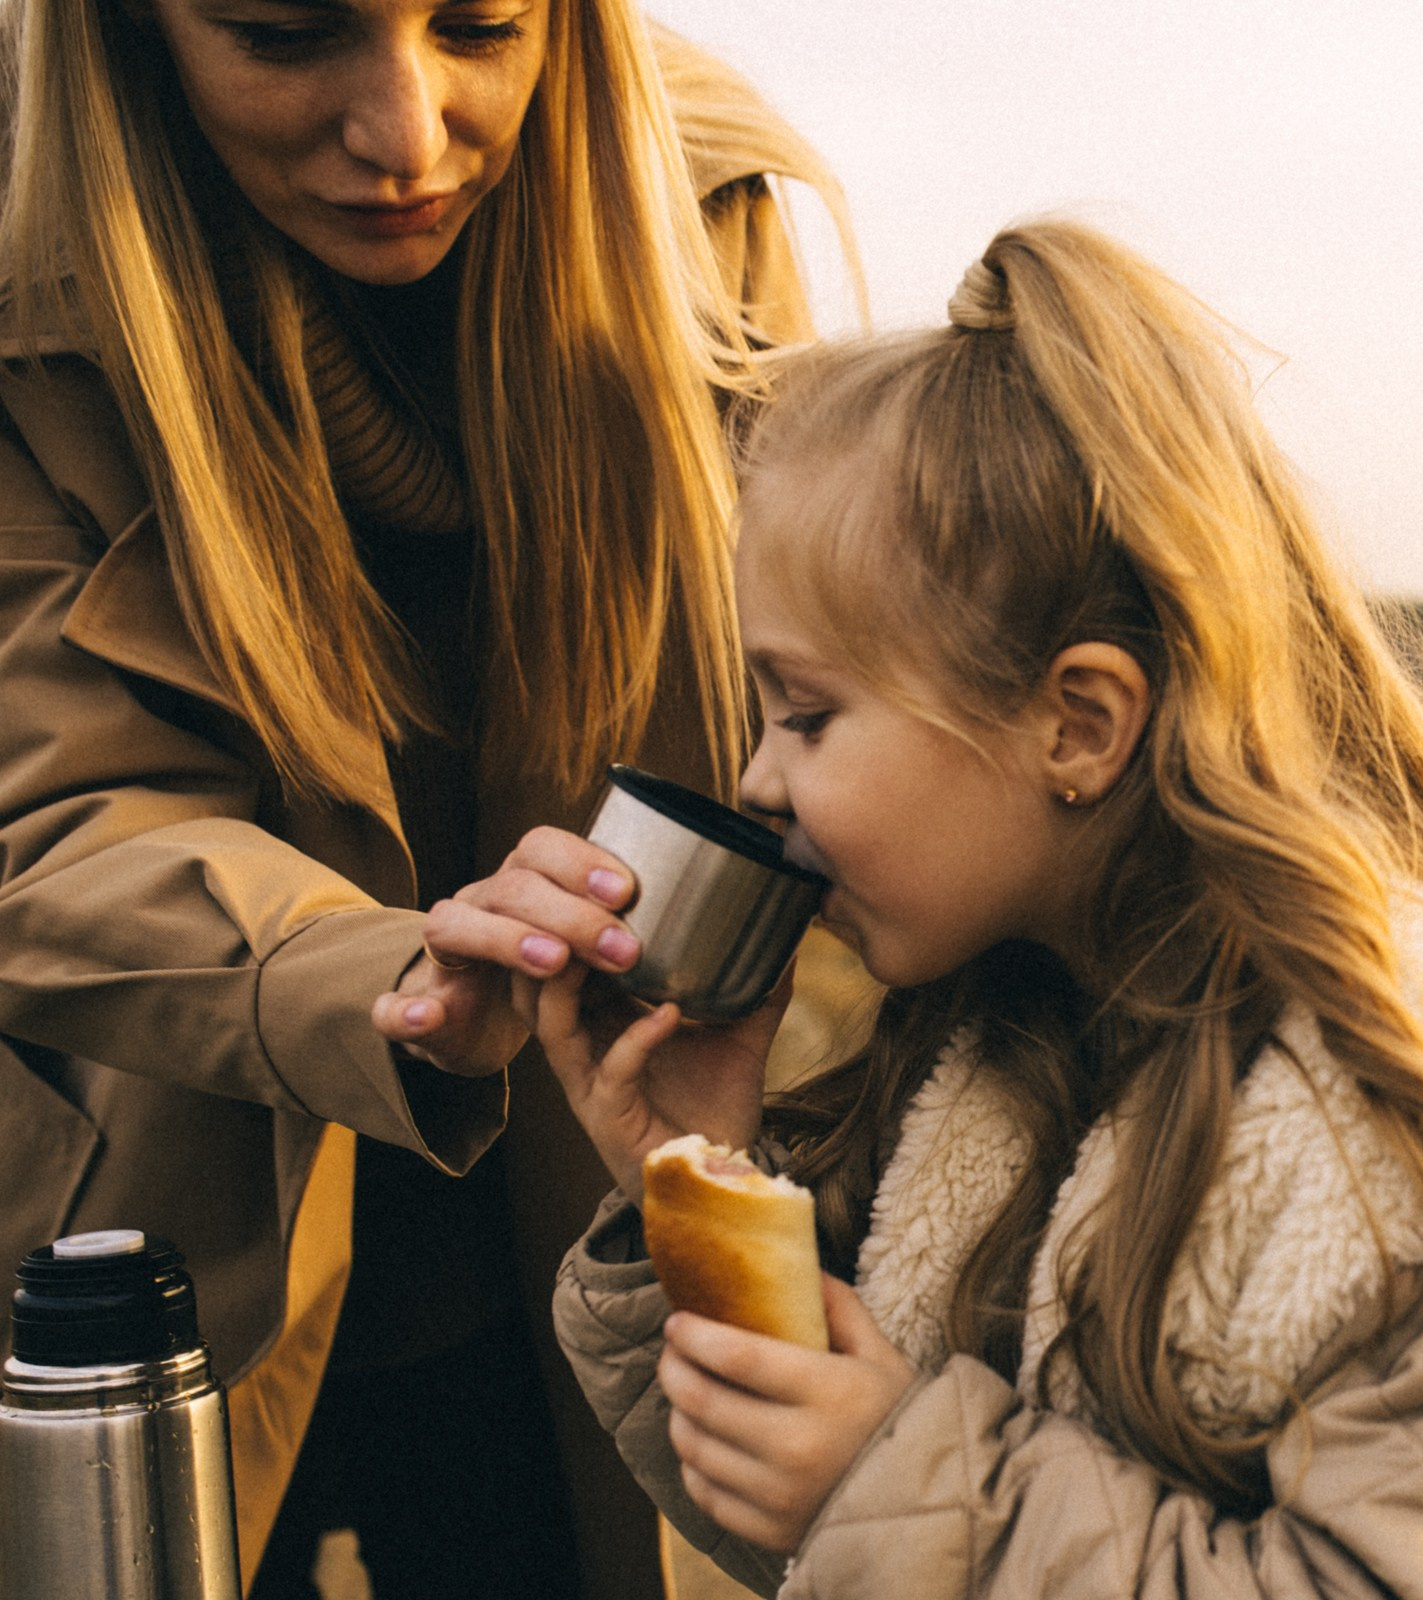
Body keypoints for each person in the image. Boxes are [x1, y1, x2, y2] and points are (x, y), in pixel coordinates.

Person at [464, 220, 1423, 1597]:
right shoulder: (1010, 1030)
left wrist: (892, 1485)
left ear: (1077, 725)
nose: (759, 782)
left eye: (807, 714)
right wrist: (702, 1181)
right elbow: (806, 1535)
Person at [0, 0, 859, 1593]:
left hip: (584, 1258)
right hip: (145, 1245)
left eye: (483, 25)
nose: (409, 132)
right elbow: (50, 816)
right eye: (283, 33)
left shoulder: (712, 203)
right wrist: (385, 982)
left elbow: (818, 694)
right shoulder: (14, 254)